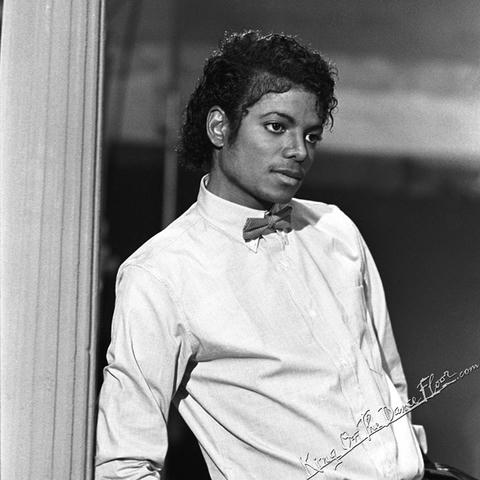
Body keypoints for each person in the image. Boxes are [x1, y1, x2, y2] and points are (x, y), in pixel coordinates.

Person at [95, 30, 427, 479]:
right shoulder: (160, 274)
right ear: (220, 127)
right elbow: (124, 464)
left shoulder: (336, 230)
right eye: (276, 127)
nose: (298, 151)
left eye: (311, 135)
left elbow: (389, 381)